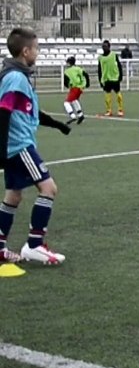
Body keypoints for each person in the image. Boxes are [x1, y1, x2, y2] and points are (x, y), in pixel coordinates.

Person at [0, 27, 73, 266]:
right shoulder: (15, 78)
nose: (38, 53)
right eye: (37, 49)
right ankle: (34, 245)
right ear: (26, 51)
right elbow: (4, 112)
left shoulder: (18, 75)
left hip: (14, 146)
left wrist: (57, 125)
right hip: (19, 146)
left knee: (13, 195)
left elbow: (30, 111)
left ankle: (0, 248)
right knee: (49, 189)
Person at [97, 39, 125, 117]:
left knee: (118, 95)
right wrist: (100, 80)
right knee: (107, 96)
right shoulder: (100, 58)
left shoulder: (114, 55)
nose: (104, 48)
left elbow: (119, 65)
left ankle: (120, 109)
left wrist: (120, 76)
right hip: (106, 79)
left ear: (109, 47)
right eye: (103, 46)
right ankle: (109, 110)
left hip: (115, 78)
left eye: (105, 46)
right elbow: (99, 70)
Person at [62, 55, 89, 124]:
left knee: (66, 102)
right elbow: (86, 74)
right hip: (80, 88)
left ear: (69, 63)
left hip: (74, 88)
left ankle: (72, 116)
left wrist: (68, 85)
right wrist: (87, 84)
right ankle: (80, 115)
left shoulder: (67, 71)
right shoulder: (78, 68)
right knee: (74, 100)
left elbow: (65, 81)